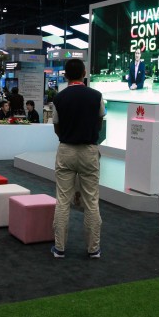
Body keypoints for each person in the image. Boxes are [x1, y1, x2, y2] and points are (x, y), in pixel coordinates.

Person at [51, 58, 105, 259]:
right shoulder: (96, 96)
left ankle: (60, 248)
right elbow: (99, 122)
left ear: (65, 75)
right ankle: (93, 249)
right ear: (84, 73)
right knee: (91, 200)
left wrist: (67, 136)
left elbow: (56, 126)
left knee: (62, 200)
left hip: (66, 149)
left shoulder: (59, 98)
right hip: (89, 150)